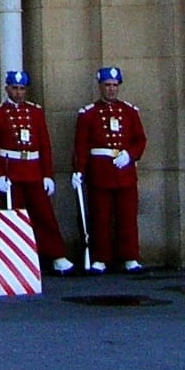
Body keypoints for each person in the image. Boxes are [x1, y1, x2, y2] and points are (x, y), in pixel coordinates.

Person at [0, 69, 74, 274]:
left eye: (22, 89)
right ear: (7, 89)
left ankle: (56, 255)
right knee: (14, 217)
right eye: (14, 88)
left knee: (44, 216)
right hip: (11, 172)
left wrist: (47, 174)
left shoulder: (35, 112)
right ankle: (16, 258)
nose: (19, 93)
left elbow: (45, 146)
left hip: (33, 170)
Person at [73, 65, 148, 273]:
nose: (111, 89)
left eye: (115, 85)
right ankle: (100, 257)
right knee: (100, 217)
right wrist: (79, 169)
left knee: (127, 216)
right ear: (100, 86)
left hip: (124, 170)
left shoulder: (129, 111)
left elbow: (140, 139)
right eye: (107, 85)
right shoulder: (89, 113)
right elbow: (81, 144)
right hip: (100, 171)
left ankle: (130, 256)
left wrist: (130, 155)